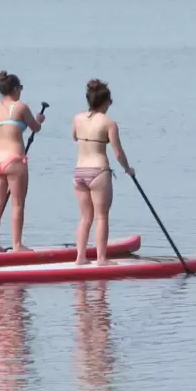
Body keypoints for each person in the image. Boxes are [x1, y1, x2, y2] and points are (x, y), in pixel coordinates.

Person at [72, 79, 134, 266]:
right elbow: (118, 153)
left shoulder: (77, 118)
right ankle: (101, 259)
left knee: (85, 218)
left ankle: (80, 258)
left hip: (79, 172)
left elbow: (75, 137)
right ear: (105, 102)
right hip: (98, 172)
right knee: (101, 217)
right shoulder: (109, 123)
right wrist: (128, 169)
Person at [0, 70, 45, 253]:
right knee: (18, 204)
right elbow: (35, 128)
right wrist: (39, 120)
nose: (21, 91)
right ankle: (18, 245)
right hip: (14, 159)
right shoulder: (20, 107)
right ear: (14, 89)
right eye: (20, 88)